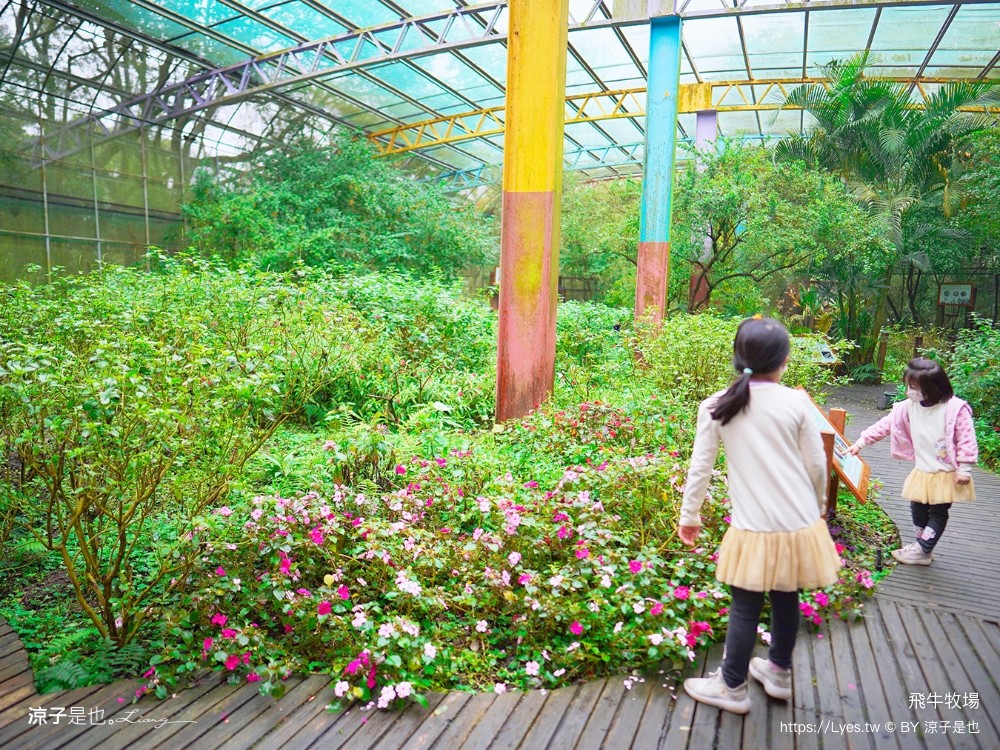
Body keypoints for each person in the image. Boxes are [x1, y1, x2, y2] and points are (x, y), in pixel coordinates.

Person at [678, 317, 841, 714]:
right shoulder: (796, 402)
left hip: (754, 526)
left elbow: (700, 468)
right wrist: (819, 506)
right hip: (799, 523)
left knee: (745, 605)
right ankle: (779, 673)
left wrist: (690, 515)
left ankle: (732, 686)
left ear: (738, 358)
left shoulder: (717, 405)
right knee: (788, 597)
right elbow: (818, 464)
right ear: (784, 360)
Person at [847, 358, 977, 565]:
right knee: (917, 508)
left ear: (933, 386)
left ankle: (923, 549)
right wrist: (861, 442)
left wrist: (965, 469)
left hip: (947, 472)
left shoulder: (954, 409)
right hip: (923, 470)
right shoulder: (908, 407)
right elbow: (885, 425)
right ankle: (921, 546)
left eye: (914, 387)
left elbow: (967, 439)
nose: (909, 391)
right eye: (909, 385)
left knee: (938, 511)